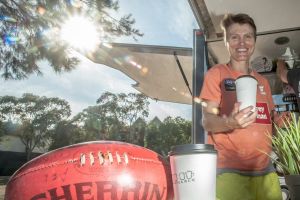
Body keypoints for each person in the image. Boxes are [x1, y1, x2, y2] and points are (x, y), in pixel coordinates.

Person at [199, 13, 282, 200]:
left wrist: (283, 126)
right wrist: (230, 122)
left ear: (254, 41)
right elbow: (208, 121)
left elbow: (271, 121)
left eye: (247, 36)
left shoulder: (263, 82)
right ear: (226, 42)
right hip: (229, 172)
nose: (241, 43)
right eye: (234, 37)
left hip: (266, 171)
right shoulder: (216, 74)